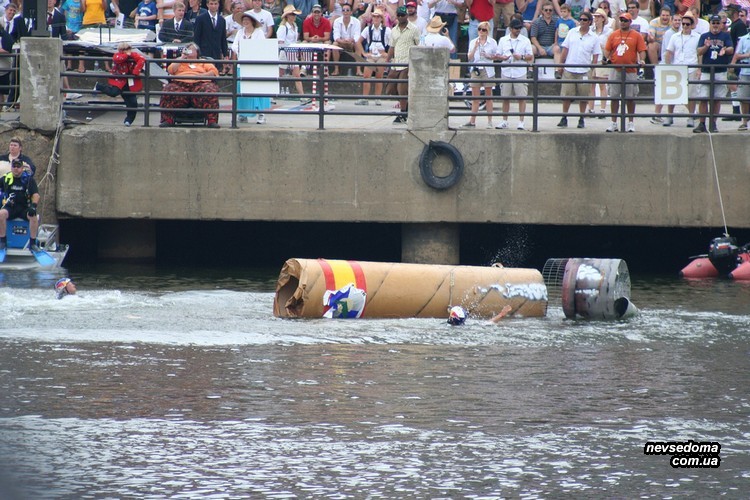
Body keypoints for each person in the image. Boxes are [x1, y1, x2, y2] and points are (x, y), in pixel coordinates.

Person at [159, 43, 221, 127]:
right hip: (180, 84)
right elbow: (170, 71)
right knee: (169, 89)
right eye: (187, 49)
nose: (188, 51)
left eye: (191, 49)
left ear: (197, 52)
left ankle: (211, 120)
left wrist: (201, 76)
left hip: (200, 84)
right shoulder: (179, 61)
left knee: (210, 90)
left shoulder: (203, 62)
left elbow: (214, 72)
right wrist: (182, 58)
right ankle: (167, 119)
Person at [603, 11, 646, 132]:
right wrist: (606, 58)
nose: (623, 22)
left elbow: (642, 50)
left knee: (630, 97)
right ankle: (613, 122)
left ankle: (631, 122)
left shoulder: (636, 35)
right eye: (621, 20)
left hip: (630, 69)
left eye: (625, 20)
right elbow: (607, 49)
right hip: (615, 68)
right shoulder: (613, 35)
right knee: (614, 96)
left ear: (630, 22)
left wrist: (642, 60)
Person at [557, 11, 601, 129]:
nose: (582, 21)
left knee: (584, 96)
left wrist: (592, 69)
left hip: (584, 70)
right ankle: (564, 117)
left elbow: (596, 55)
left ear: (590, 22)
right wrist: (561, 65)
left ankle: (581, 118)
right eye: (580, 19)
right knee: (566, 95)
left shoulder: (594, 37)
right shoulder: (572, 32)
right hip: (570, 68)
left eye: (585, 20)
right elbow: (565, 49)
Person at [694, 14, 734, 133]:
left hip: (720, 71)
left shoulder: (725, 36)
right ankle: (702, 123)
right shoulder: (704, 36)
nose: (715, 25)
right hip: (707, 71)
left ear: (721, 24)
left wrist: (725, 50)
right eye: (713, 23)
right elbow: (699, 51)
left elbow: (731, 49)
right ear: (710, 24)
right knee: (703, 98)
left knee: (717, 99)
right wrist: (706, 46)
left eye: (718, 23)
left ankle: (713, 123)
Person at [93, 42, 146, 127]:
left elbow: (141, 59)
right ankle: (99, 86)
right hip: (119, 80)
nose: (128, 51)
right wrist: (127, 55)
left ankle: (129, 120)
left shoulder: (133, 55)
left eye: (129, 49)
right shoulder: (117, 55)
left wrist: (136, 71)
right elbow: (118, 59)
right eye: (126, 49)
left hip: (130, 82)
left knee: (133, 102)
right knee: (113, 92)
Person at [232, 11, 271, 124]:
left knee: (257, 90)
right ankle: (243, 114)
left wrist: (250, 49)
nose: (245, 22)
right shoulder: (240, 32)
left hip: (255, 65)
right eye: (244, 20)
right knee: (242, 90)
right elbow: (234, 45)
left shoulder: (259, 33)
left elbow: (262, 46)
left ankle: (261, 114)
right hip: (242, 64)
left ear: (252, 22)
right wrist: (241, 48)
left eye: (247, 20)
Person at [496, 17, 534, 130]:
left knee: (522, 98)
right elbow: (498, 54)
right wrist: (503, 57)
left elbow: (530, 56)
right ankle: (504, 121)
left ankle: (521, 122)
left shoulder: (525, 40)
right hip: (506, 71)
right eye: (516, 28)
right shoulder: (503, 40)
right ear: (510, 29)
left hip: (520, 71)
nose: (518, 30)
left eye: (519, 28)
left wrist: (521, 57)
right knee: (505, 97)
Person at [662, 11, 699, 127]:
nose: (685, 26)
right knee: (672, 94)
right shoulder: (674, 37)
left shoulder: (697, 37)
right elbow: (668, 53)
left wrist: (699, 68)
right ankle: (670, 116)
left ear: (692, 24)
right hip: (677, 67)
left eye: (688, 24)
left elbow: (700, 54)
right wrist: (668, 67)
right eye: (683, 24)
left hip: (691, 67)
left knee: (691, 95)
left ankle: (691, 117)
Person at [386, 6, 420, 123]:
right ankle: (406, 106)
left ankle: (403, 113)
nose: (400, 17)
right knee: (390, 88)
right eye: (399, 15)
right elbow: (392, 46)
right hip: (396, 62)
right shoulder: (394, 30)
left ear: (407, 15)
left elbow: (418, 45)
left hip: (408, 63)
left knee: (402, 88)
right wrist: (387, 61)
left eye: (403, 15)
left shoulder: (414, 29)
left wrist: (415, 63)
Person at [462, 20, 497, 128]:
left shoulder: (492, 42)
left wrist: (488, 56)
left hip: (487, 69)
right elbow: (469, 57)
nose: (481, 31)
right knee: (475, 98)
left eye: (484, 30)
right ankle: (472, 121)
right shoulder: (473, 42)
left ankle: (490, 122)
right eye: (479, 29)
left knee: (488, 97)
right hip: (476, 69)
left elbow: (495, 56)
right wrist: (475, 47)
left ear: (487, 31)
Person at [0, 159, 40, 252]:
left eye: (18, 166)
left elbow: (36, 195)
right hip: (10, 207)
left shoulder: (29, 180)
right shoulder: (6, 178)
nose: (16, 168)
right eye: (14, 166)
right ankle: (2, 241)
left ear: (22, 168)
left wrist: (33, 206)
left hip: (24, 208)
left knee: (33, 217)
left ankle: (33, 243)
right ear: (11, 167)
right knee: (1, 214)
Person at [355, 7, 391, 105]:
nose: (375, 18)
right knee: (366, 75)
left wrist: (388, 54)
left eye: (378, 16)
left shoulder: (386, 30)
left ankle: (377, 98)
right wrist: (364, 53)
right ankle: (365, 98)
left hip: (381, 55)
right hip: (371, 55)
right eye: (374, 16)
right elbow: (358, 42)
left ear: (381, 19)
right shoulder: (367, 29)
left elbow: (393, 43)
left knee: (379, 76)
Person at [587, 7, 612, 116]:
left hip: (602, 59)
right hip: (591, 59)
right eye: (595, 16)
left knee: (602, 85)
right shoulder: (590, 30)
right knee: (591, 85)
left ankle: (602, 109)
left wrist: (604, 49)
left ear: (603, 18)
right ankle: (591, 108)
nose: (596, 19)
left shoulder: (609, 31)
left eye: (598, 17)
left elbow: (610, 47)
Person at [277, 4, 305, 98]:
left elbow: (294, 41)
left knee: (297, 75)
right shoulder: (282, 27)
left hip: (293, 53)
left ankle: (302, 96)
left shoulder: (295, 26)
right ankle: (270, 95)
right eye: (292, 14)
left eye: (294, 15)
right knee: (278, 75)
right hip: (284, 53)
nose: (294, 16)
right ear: (287, 16)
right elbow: (280, 43)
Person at [193, 0, 230, 70]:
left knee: (216, 75)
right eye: (211, 4)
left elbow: (223, 39)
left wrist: (225, 55)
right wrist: (197, 54)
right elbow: (196, 38)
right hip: (204, 54)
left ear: (218, 5)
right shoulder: (200, 18)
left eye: (215, 4)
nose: (213, 6)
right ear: (207, 4)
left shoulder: (222, 20)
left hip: (217, 54)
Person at [331, 3, 363, 75]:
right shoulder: (336, 21)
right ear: (342, 12)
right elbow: (336, 36)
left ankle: (358, 70)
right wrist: (342, 41)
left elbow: (357, 36)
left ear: (351, 12)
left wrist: (351, 40)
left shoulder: (357, 21)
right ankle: (336, 69)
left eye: (347, 10)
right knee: (334, 44)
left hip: (352, 43)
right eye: (344, 10)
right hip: (341, 43)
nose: (345, 12)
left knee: (358, 44)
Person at [731, 28, 750, 130]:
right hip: (745, 71)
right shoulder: (743, 39)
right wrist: (747, 55)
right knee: (743, 98)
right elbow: (737, 54)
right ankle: (744, 122)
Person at [552, 3, 577, 78]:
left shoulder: (571, 23)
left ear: (569, 12)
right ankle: (557, 69)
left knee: (564, 55)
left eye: (564, 11)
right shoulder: (559, 20)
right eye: (561, 11)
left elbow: (572, 34)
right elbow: (556, 31)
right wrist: (555, 41)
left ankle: (561, 70)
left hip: (567, 43)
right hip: (559, 41)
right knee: (557, 50)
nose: (563, 13)